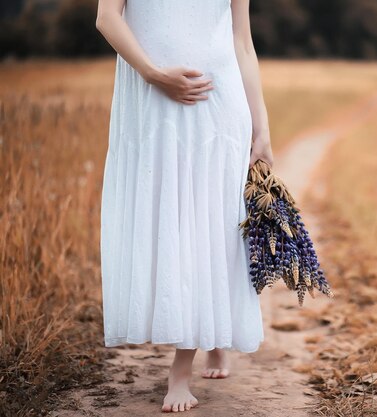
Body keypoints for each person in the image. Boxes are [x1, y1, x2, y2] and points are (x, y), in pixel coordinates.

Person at [95, 0, 273, 412]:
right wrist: (154, 75)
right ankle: (209, 335)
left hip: (219, 106)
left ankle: (181, 371)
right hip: (153, 103)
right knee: (172, 223)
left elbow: (241, 42)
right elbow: (106, 17)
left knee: (208, 229)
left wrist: (261, 127)